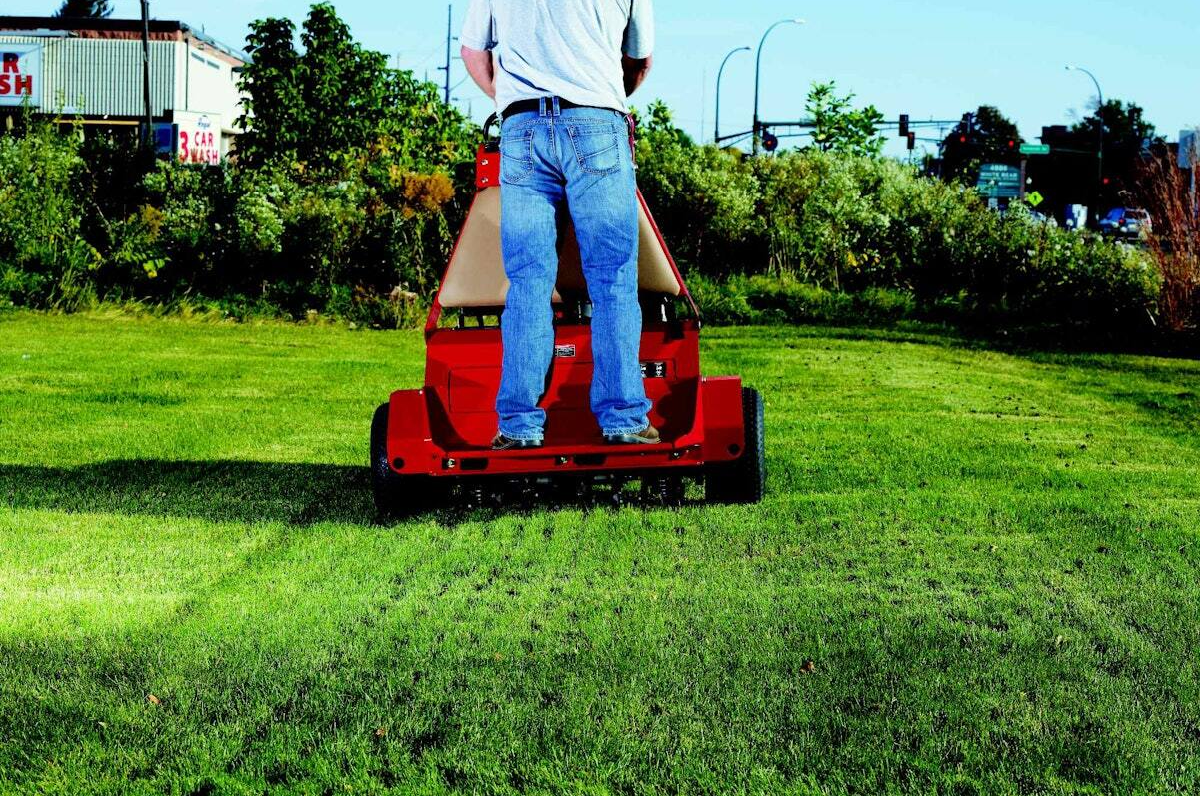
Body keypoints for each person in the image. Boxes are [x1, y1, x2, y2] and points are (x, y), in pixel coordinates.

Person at [460, 0, 660, 450]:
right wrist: (607, 95)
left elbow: (473, 52)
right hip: (595, 118)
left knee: (529, 282)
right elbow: (640, 58)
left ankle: (518, 427)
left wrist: (507, 99)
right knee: (611, 279)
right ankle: (624, 419)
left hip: (522, 126)